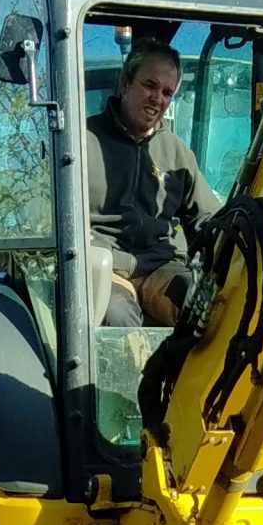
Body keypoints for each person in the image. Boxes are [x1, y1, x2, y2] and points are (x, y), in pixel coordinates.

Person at [85, 37, 222, 325]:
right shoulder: (83, 139)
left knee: (200, 306)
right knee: (116, 315)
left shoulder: (175, 151)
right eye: (149, 85)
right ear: (125, 83)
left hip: (161, 267)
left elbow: (206, 217)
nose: (157, 98)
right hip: (105, 265)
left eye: (167, 92)